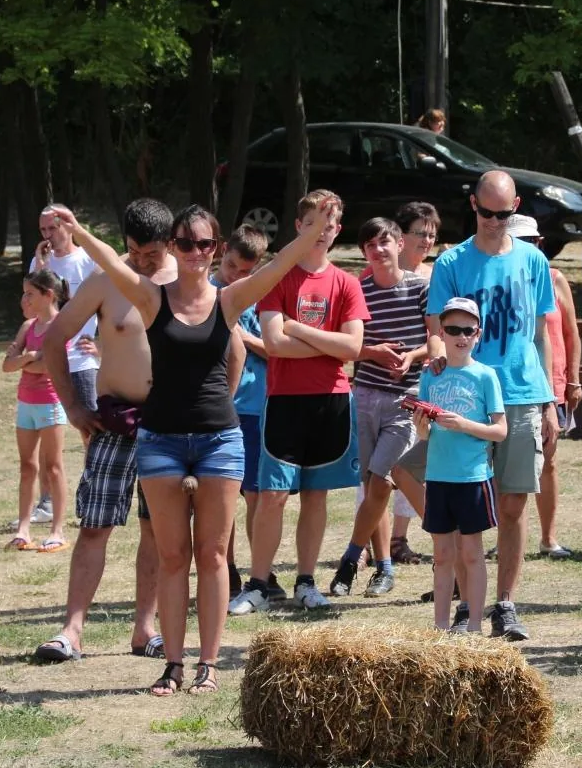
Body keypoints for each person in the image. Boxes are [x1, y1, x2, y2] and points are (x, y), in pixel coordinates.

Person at [56, 202, 332, 695]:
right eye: (185, 243)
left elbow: (278, 265)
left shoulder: (229, 300)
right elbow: (111, 263)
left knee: (212, 555)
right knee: (172, 555)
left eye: (204, 244)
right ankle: (173, 666)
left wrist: (310, 232)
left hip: (218, 441)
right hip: (159, 439)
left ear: (216, 249)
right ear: (174, 247)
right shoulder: (151, 298)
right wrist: (78, 230)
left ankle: (208, 665)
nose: (195, 253)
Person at [399, 170, 559, 641]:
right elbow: (435, 327)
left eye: (504, 214)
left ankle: (505, 604)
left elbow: (541, 333)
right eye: (487, 213)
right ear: (473, 205)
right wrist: (435, 362)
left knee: (512, 504)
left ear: (517, 208)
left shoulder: (533, 260)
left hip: (522, 394)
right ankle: (466, 599)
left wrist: (549, 399)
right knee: (425, 481)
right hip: (462, 397)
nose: (495, 221)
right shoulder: (452, 261)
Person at [32, 199, 176, 662]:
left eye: (151, 253)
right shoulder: (105, 280)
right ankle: (72, 631)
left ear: (171, 243)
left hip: (169, 424)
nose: (141, 261)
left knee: (157, 531)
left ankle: (145, 630)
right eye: (133, 250)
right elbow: (55, 338)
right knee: (95, 526)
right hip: (113, 421)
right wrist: (73, 405)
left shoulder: (189, 285)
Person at [229, 190, 367, 616]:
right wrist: (327, 344)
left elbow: (353, 347)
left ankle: (306, 581)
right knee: (272, 496)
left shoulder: (345, 282)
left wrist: (300, 331)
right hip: (283, 401)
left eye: (330, 225)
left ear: (338, 230)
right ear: (298, 228)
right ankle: (257, 584)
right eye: (313, 224)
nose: (321, 233)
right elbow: (272, 344)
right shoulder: (279, 278)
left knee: (316, 494)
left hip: (330, 401)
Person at [328, 217, 433, 599]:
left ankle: (350, 560)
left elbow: (434, 339)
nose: (378, 249)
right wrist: (374, 352)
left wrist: (413, 357)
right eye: (370, 244)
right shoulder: (358, 290)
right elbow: (347, 344)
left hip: (406, 399)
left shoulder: (420, 288)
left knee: (381, 481)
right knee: (371, 487)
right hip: (366, 396)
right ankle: (384, 567)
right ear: (363, 252)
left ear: (400, 243)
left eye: (384, 242)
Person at [415, 297, 505, 633]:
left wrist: (463, 424)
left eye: (467, 330)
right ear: (442, 332)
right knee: (441, 556)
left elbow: (500, 430)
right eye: (453, 329)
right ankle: (440, 626)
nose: (461, 337)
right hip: (438, 476)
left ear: (478, 334)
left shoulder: (485, 376)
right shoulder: (431, 375)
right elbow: (424, 434)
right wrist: (422, 425)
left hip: (473, 477)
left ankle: (475, 626)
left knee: (472, 553)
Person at [506, 214, 582, 558]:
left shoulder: (555, 278)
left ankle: (548, 538)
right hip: (515, 384)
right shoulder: (502, 278)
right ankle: (504, 536)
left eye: (535, 241)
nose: (531, 247)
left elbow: (571, 333)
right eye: (523, 241)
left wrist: (573, 380)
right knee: (506, 465)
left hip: (552, 383)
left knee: (548, 462)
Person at [26, 205, 103, 521]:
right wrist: (41, 266)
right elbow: (30, 308)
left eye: (52, 229)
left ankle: (93, 496)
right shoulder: (40, 262)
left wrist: (101, 345)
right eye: (43, 230)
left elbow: (108, 306)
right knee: (48, 433)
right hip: (51, 360)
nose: (48, 236)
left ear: (69, 226)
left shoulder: (87, 260)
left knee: (90, 430)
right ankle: (47, 501)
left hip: (82, 360)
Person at [213, 226, 273, 600]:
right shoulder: (204, 290)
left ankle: (259, 571)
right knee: (223, 496)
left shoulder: (260, 294)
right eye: (232, 265)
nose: (237, 276)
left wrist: (241, 335)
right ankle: (227, 568)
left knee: (255, 493)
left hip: (255, 404)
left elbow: (275, 346)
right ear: (222, 252)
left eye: (246, 271)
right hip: (218, 405)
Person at [386, 201, 441, 565]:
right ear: (400, 236)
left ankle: (399, 538)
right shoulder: (380, 275)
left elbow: (439, 333)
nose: (426, 240)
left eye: (432, 234)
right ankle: (373, 547)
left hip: (422, 381)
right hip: (381, 383)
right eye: (419, 233)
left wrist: (416, 355)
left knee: (413, 463)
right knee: (380, 468)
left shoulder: (435, 276)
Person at [2, 269, 70, 553]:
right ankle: (23, 528)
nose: (24, 299)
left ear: (48, 295)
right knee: (27, 466)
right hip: (26, 403)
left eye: (30, 293)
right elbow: (6, 365)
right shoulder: (28, 327)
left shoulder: (60, 326)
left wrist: (23, 361)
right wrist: (29, 358)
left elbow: (50, 366)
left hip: (51, 403)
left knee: (53, 467)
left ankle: (57, 530)